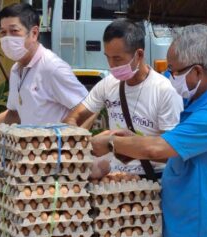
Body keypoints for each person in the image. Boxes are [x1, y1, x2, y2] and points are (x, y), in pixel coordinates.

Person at [91, 24, 207, 237]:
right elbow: (173, 148)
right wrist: (133, 142)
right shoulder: (195, 102)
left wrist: (110, 143)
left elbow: (158, 148)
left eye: (174, 71)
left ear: (198, 71)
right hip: (179, 220)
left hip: (199, 227)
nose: (169, 76)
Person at [63, 19, 183, 177]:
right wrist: (75, 137)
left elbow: (172, 154)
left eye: (117, 59)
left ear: (139, 55)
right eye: (108, 58)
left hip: (152, 179)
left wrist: (116, 145)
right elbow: (75, 116)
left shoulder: (164, 91)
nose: (111, 65)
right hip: (115, 179)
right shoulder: (108, 85)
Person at [0, 3, 88, 146]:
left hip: (55, 159)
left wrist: (69, 144)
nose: (7, 38)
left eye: (14, 31)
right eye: (3, 32)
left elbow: (88, 106)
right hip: (33, 158)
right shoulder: (16, 70)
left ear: (34, 33)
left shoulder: (52, 67)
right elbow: (15, 114)